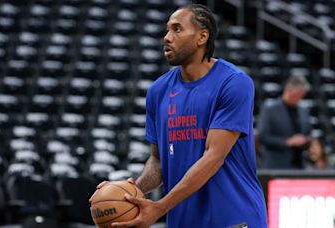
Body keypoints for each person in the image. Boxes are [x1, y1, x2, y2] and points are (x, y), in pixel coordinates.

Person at [90, 4, 267, 228]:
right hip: (183, 220)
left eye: (177, 29)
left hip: (233, 217)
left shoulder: (233, 83)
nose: (167, 37)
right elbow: (158, 161)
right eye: (167, 30)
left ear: (202, 37)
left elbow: (214, 157)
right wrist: (129, 192)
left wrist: (160, 207)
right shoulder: (158, 91)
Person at [257, 75, 312, 169]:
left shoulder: (303, 110)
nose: (300, 97)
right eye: (298, 94)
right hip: (277, 165)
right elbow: (262, 136)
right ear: (288, 89)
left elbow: (308, 133)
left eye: (302, 95)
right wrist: (287, 142)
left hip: (300, 166)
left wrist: (305, 140)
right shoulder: (270, 109)